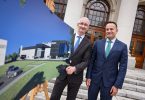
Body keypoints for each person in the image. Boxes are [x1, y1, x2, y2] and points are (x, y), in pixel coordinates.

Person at [50, 17, 92, 100]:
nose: (83, 26)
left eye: (85, 25)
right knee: (54, 97)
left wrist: (75, 68)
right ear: (77, 24)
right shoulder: (67, 37)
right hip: (62, 73)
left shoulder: (88, 43)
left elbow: (86, 61)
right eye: (81, 23)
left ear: (88, 27)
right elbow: (59, 54)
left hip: (76, 76)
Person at [86, 21, 128, 100]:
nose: (109, 31)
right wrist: (88, 77)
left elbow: (123, 68)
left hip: (110, 82)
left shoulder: (122, 46)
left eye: (111, 29)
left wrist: (116, 85)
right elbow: (91, 61)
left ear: (116, 30)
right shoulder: (97, 43)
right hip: (94, 80)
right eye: (107, 29)